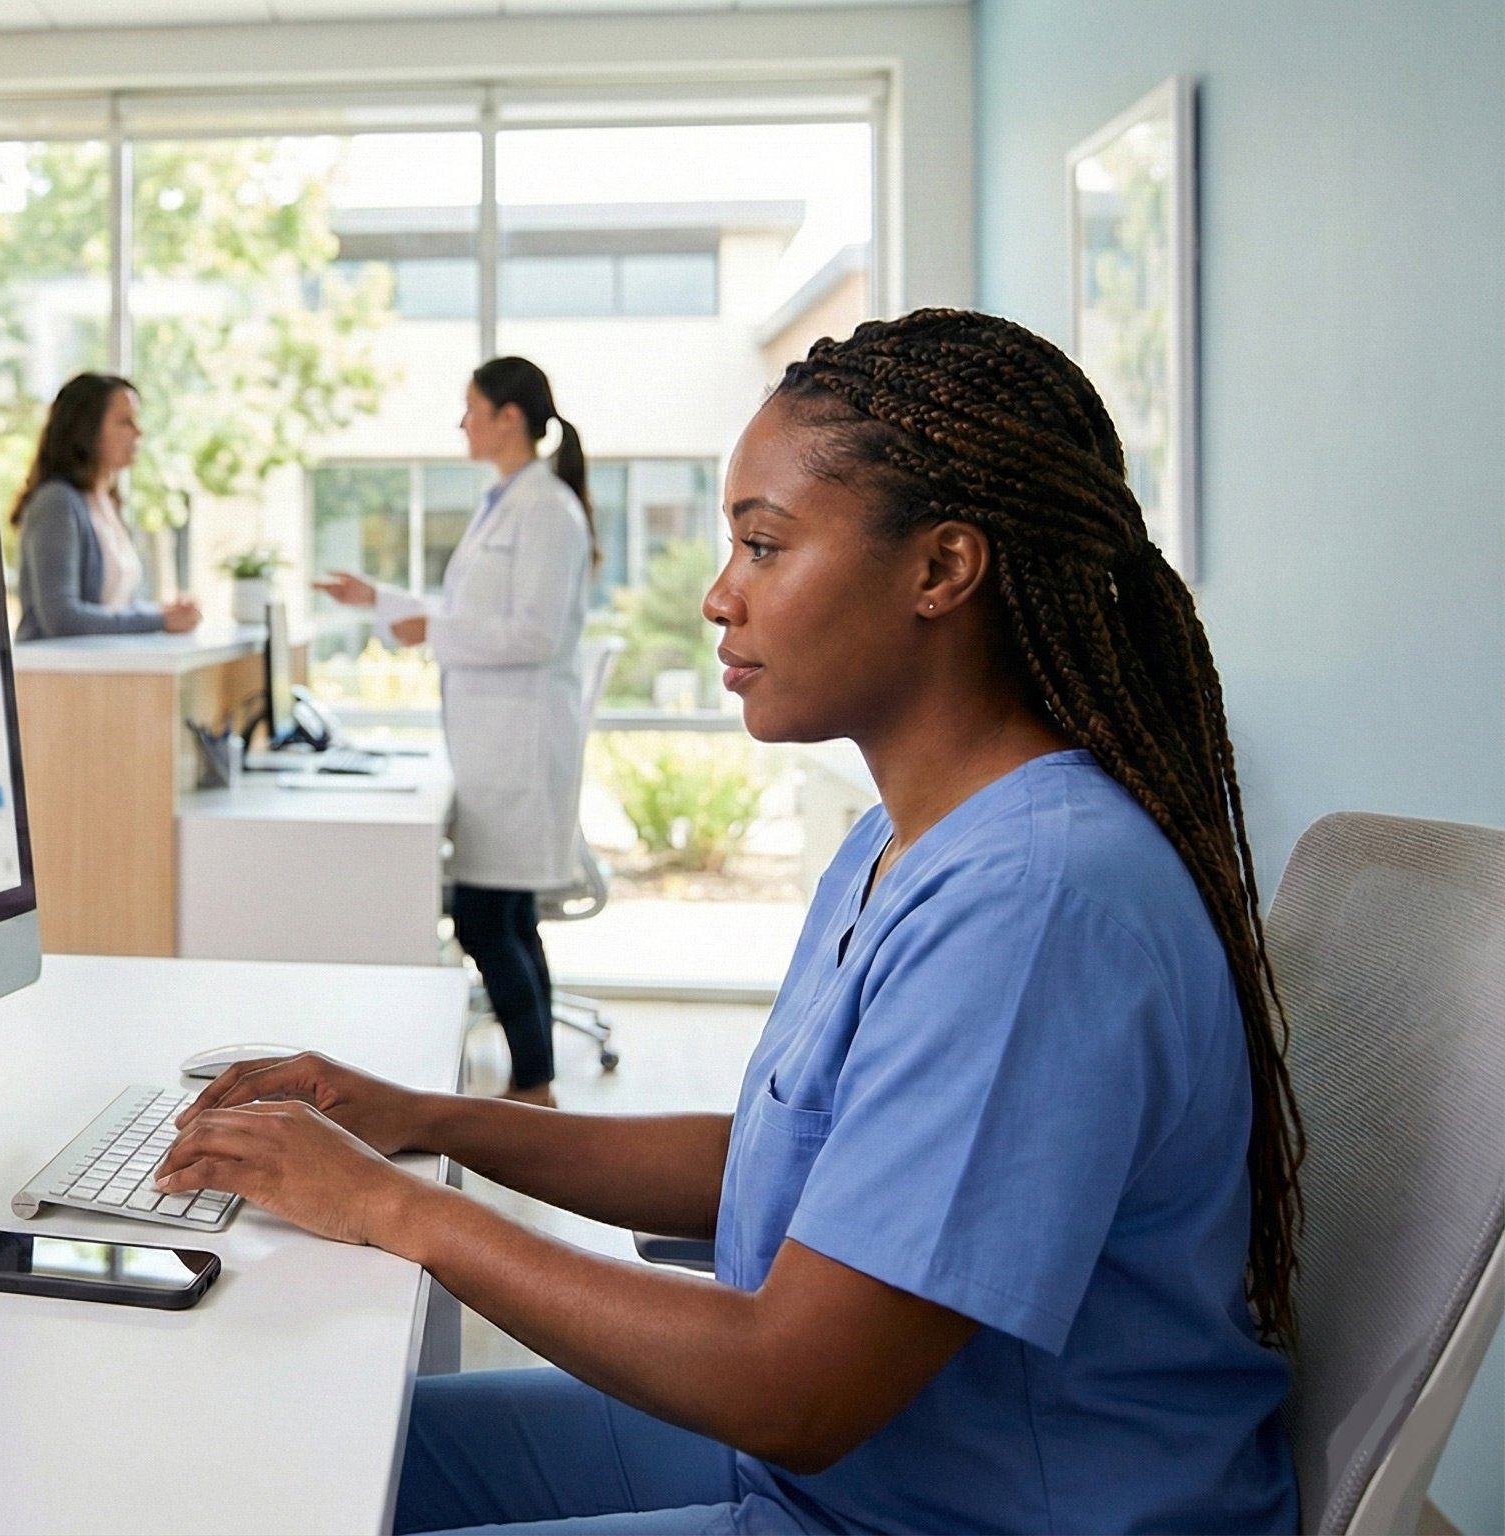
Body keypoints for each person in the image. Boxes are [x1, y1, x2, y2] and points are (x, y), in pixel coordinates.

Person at [163, 310, 1301, 1534]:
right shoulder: (908, 839)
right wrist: (424, 1118)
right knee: (300, 1458)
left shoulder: (1032, 906)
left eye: (763, 546)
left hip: (954, 1507)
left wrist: (395, 1207)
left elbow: (792, 1383)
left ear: (939, 570)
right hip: (868, 1471)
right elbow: (781, 1161)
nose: (718, 597)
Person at [316, 357, 596, 1107]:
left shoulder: (545, 510)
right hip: (493, 742)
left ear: (509, 417)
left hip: (519, 745)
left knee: (483, 916)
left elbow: (532, 633)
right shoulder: (507, 500)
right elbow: (465, 613)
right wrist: (378, 598)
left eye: (471, 408)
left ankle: (534, 1088)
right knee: (503, 916)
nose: (463, 422)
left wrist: (431, 626)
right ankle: (537, 1082)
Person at [12, 373, 202, 640]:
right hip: (57, 676)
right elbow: (62, 618)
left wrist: (166, 613)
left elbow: (115, 608)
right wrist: (158, 620)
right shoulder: (57, 502)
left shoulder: (107, 502)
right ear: (86, 430)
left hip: (100, 672)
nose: (139, 431)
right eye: (125, 421)